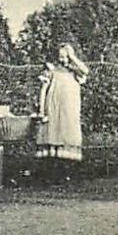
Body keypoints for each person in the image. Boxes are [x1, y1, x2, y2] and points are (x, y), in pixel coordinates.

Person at [35, 42, 90, 180]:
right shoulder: (51, 69)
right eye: (60, 56)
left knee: (68, 135)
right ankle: (52, 174)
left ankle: (69, 172)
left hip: (70, 109)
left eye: (66, 57)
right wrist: (42, 110)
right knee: (53, 135)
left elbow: (85, 71)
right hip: (53, 107)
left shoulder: (75, 71)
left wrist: (72, 56)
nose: (63, 59)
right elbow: (43, 90)